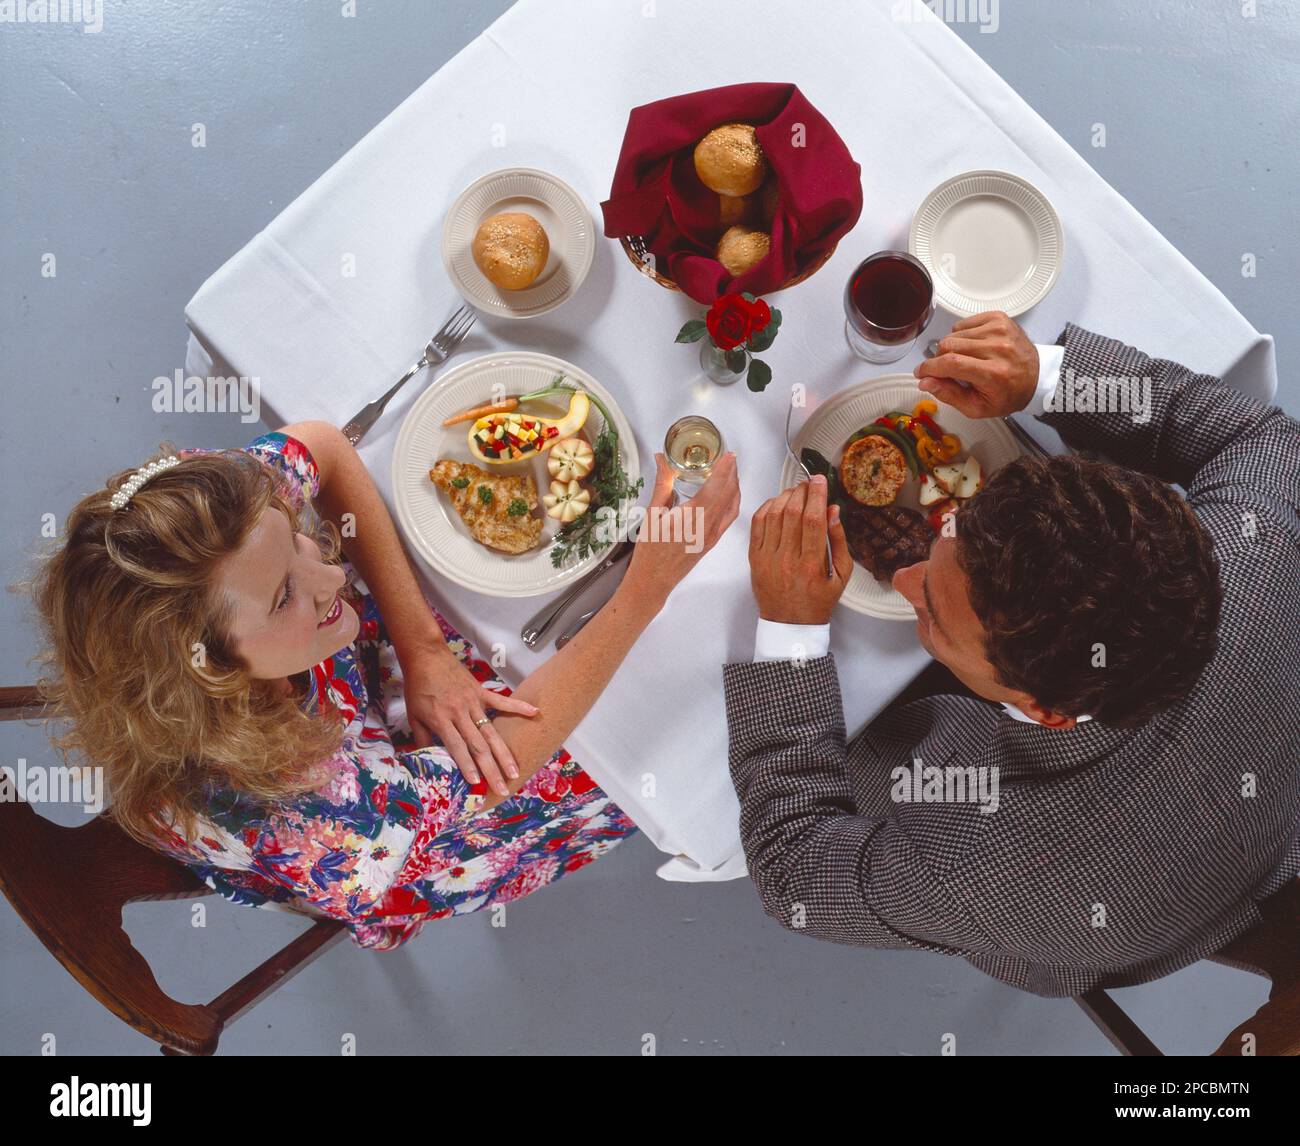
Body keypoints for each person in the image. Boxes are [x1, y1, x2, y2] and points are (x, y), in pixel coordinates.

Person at [724, 312, 1300, 996]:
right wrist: (1050, 379)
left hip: (1087, 925)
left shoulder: (977, 866)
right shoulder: (1253, 556)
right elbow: (1268, 440)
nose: (904, 577)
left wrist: (791, 634)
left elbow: (794, 868)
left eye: (931, 609)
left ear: (1047, 711)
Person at [32, 424, 739, 951]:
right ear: (212, 666)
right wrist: (646, 588)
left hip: (356, 707)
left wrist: (423, 647)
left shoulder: (203, 524)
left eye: (296, 538)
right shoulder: (319, 822)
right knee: (647, 735)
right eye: (285, 596)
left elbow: (325, 448)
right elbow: (496, 765)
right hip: (382, 838)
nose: (333, 577)